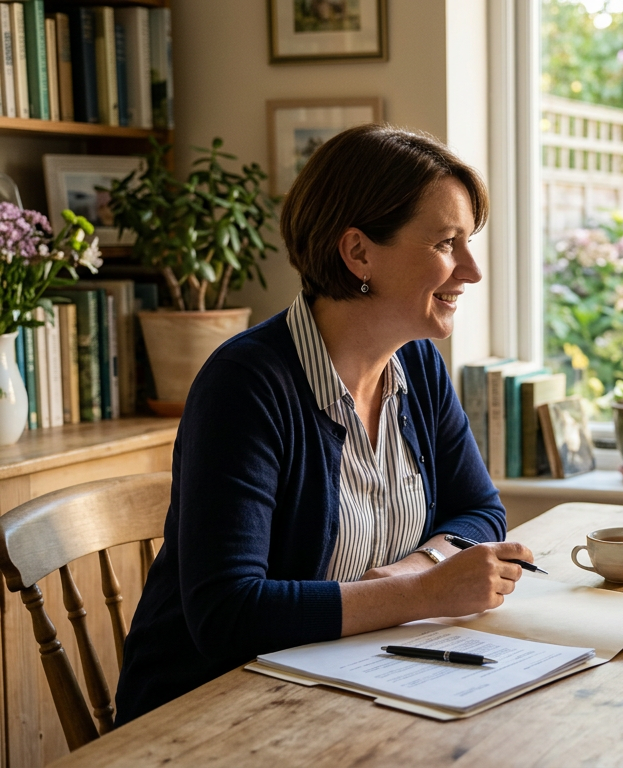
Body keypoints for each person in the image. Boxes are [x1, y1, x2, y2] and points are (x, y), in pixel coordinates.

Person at [115, 125, 534, 724]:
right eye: (447, 243)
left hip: (347, 688)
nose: (471, 269)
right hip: (208, 715)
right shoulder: (246, 385)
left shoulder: (415, 362)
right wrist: (422, 594)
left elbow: (481, 511)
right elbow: (228, 614)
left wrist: (417, 568)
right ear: (359, 251)